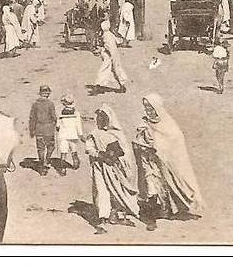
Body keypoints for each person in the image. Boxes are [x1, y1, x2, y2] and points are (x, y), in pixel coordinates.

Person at [133, 93, 204, 231]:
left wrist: (162, 150)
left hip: (166, 163)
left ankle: (171, 210)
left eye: (150, 107)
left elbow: (175, 139)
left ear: (157, 107)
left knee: (171, 184)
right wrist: (144, 147)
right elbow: (136, 142)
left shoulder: (167, 124)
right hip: (149, 163)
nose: (147, 110)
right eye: (145, 106)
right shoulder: (143, 124)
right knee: (151, 188)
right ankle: (151, 219)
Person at [85, 105, 140, 233]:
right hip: (99, 167)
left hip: (114, 168)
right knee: (101, 190)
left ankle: (115, 214)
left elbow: (125, 152)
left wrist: (115, 155)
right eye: (98, 118)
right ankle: (102, 218)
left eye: (103, 118)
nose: (100, 121)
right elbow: (89, 149)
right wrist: (100, 155)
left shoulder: (117, 134)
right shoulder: (93, 134)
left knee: (116, 190)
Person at [29, 85, 57, 176]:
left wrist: (31, 130)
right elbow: (54, 116)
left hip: (39, 129)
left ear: (40, 93)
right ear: (48, 93)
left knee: (40, 148)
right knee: (51, 146)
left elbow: (32, 118)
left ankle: (42, 165)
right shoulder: (50, 103)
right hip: (49, 129)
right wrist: (56, 123)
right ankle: (47, 160)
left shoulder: (35, 104)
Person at [94, 21, 129, 94]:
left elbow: (108, 47)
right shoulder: (110, 34)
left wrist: (101, 49)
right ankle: (121, 85)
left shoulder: (106, 36)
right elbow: (118, 41)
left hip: (109, 56)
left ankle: (98, 85)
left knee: (104, 70)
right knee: (116, 70)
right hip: (113, 55)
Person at [55, 95, 84, 173]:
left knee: (63, 151)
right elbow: (78, 125)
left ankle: (63, 169)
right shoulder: (76, 113)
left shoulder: (61, 113)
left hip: (63, 135)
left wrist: (58, 128)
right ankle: (75, 164)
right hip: (73, 135)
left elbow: (58, 125)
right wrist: (80, 134)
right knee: (74, 150)